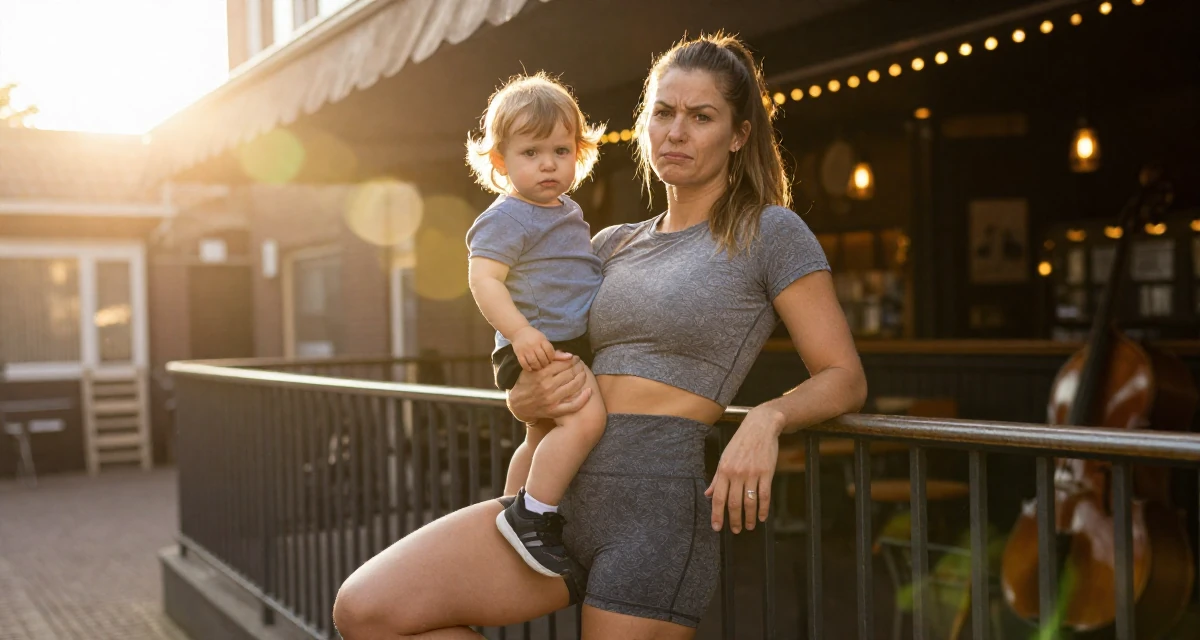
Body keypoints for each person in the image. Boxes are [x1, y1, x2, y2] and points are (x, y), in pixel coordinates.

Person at [333, 33, 867, 640]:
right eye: (663, 112)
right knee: (366, 610)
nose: (676, 131)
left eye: (702, 116)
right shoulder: (607, 243)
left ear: (739, 134)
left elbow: (844, 378)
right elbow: (541, 352)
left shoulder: (769, 232)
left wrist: (765, 419)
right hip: (553, 503)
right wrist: (524, 398)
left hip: (653, 513)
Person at [464, 73, 608, 578]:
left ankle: (508, 509)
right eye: (530, 153)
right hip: (540, 341)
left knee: (540, 433)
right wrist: (521, 333)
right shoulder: (509, 216)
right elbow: (483, 280)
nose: (548, 163)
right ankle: (535, 517)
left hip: (553, 338)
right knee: (585, 420)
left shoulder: (564, 208)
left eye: (561, 150)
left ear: (579, 153)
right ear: (500, 162)